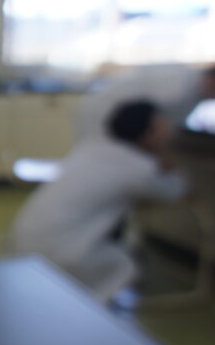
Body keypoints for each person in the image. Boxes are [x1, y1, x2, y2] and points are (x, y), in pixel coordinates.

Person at [12, 100, 188, 304]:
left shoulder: (93, 148)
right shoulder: (138, 167)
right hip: (59, 252)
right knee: (125, 267)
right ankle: (95, 310)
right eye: (163, 128)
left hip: (23, 241)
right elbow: (176, 191)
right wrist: (165, 154)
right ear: (148, 134)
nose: (169, 131)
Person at [75, 63, 215, 142]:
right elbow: (158, 129)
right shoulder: (179, 86)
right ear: (214, 80)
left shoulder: (192, 89)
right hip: (105, 115)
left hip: (114, 118)